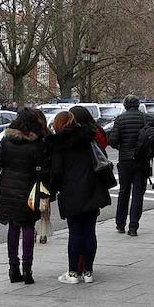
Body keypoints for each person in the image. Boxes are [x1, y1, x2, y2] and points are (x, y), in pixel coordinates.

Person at [47, 106, 111, 284]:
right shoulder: (89, 139)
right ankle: (88, 272)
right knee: (90, 231)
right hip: (91, 189)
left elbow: (57, 173)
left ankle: (73, 272)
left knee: (75, 232)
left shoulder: (59, 144)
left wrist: (52, 189)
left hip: (70, 191)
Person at [0, 107, 48, 284]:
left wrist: (2, 181)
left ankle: (13, 268)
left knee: (13, 227)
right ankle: (28, 269)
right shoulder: (36, 143)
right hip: (29, 190)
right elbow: (43, 168)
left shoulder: (7, 140)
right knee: (28, 227)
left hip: (9, 188)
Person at [108, 94, 154, 236]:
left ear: (125, 105)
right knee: (138, 194)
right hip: (142, 160)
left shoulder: (120, 119)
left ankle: (120, 223)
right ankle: (133, 226)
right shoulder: (147, 118)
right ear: (138, 104)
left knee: (124, 192)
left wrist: (123, 147)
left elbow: (113, 140)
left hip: (125, 160)